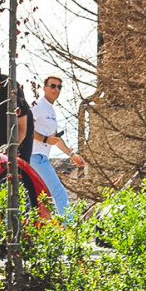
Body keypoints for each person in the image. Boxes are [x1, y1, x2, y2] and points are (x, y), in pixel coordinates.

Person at [30, 74, 86, 218]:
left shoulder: (50, 110)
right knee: (58, 192)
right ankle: (70, 226)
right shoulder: (38, 105)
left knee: (41, 195)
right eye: (53, 86)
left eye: (59, 87)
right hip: (35, 156)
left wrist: (72, 155)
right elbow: (25, 128)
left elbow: (55, 138)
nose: (56, 89)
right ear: (44, 88)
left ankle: (47, 226)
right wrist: (44, 139)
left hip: (41, 157)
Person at [0, 69, 33, 163]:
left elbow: (21, 128)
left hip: (18, 136)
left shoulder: (9, 86)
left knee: (13, 166)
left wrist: (8, 152)